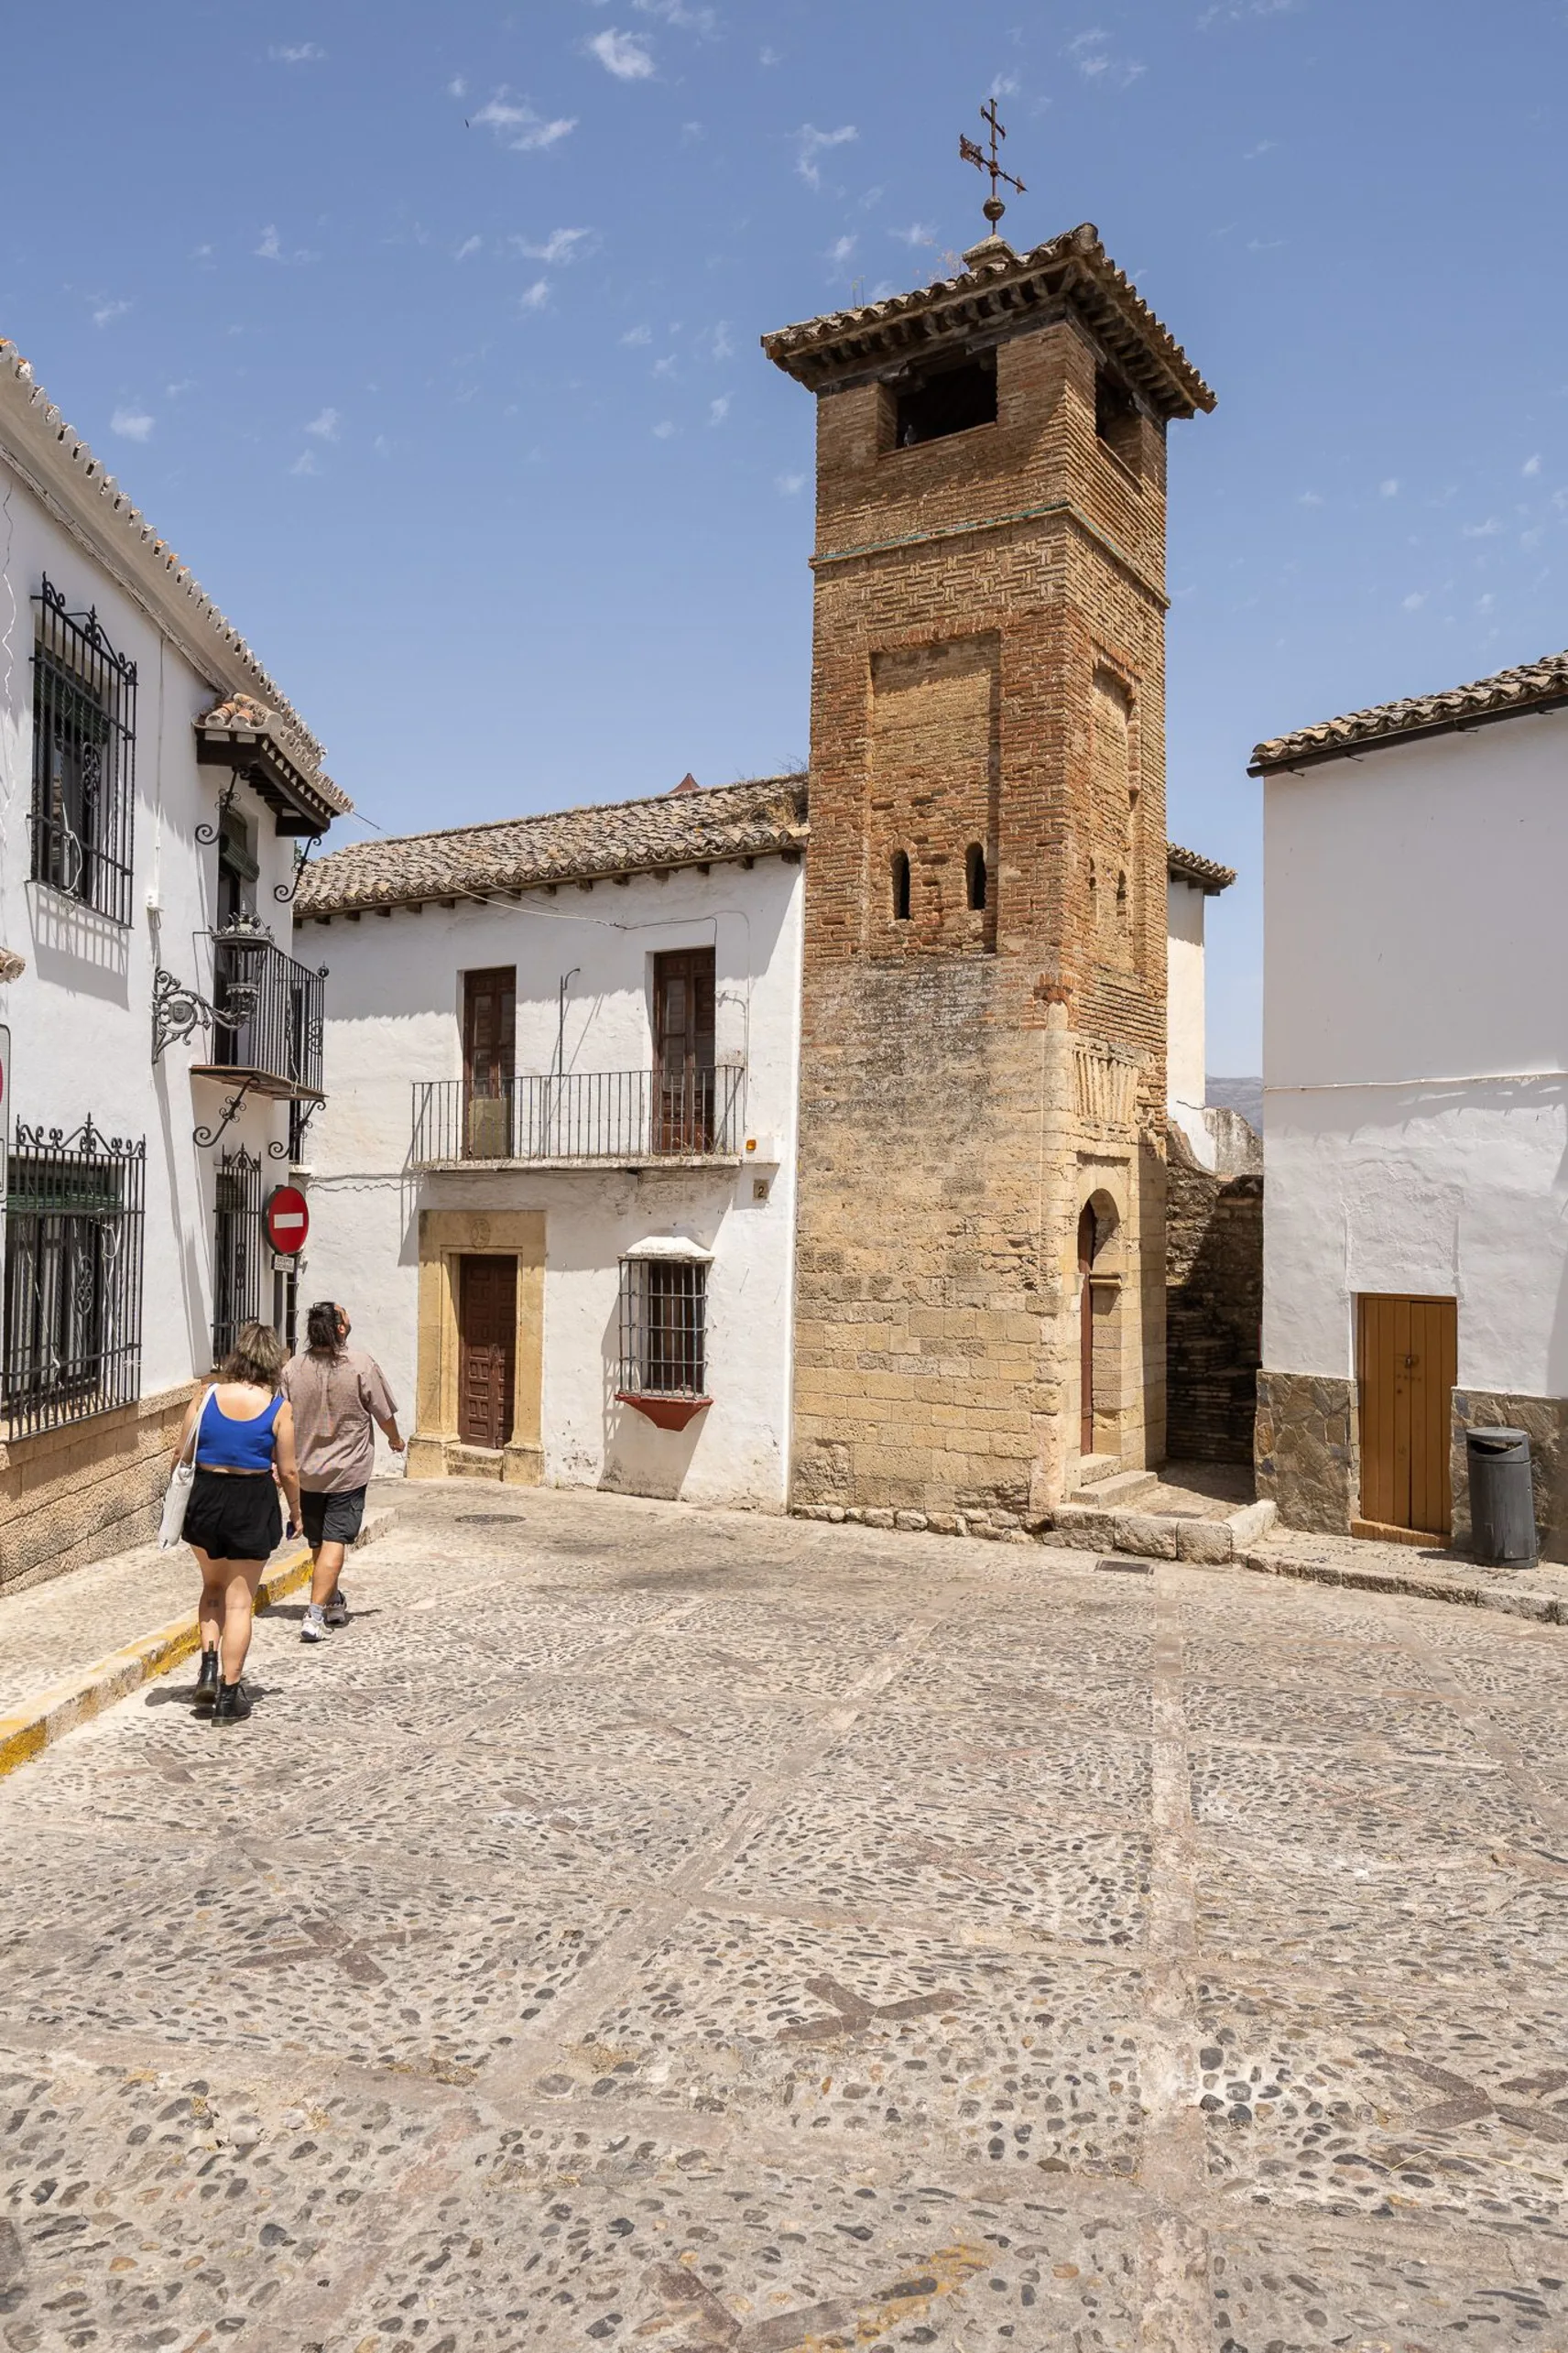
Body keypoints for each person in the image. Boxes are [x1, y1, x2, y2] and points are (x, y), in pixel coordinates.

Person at [177, 1320, 301, 1726]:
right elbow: (289, 1471)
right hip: (251, 1500)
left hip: (206, 1499)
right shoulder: (278, 1409)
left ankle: (208, 1669)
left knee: (211, 1587)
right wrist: (297, 1514)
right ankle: (229, 1697)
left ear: (237, 1356)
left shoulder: (206, 1395)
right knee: (240, 1601)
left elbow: (182, 1452)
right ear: (273, 1364)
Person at [282, 1301, 404, 1642]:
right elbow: (382, 1411)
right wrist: (395, 1439)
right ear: (339, 1328)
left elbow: (283, 1418)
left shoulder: (292, 1369)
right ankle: (315, 1615)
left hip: (307, 1471)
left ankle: (332, 1600)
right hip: (347, 1471)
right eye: (345, 1316)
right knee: (335, 1541)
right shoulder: (360, 1365)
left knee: (319, 1542)